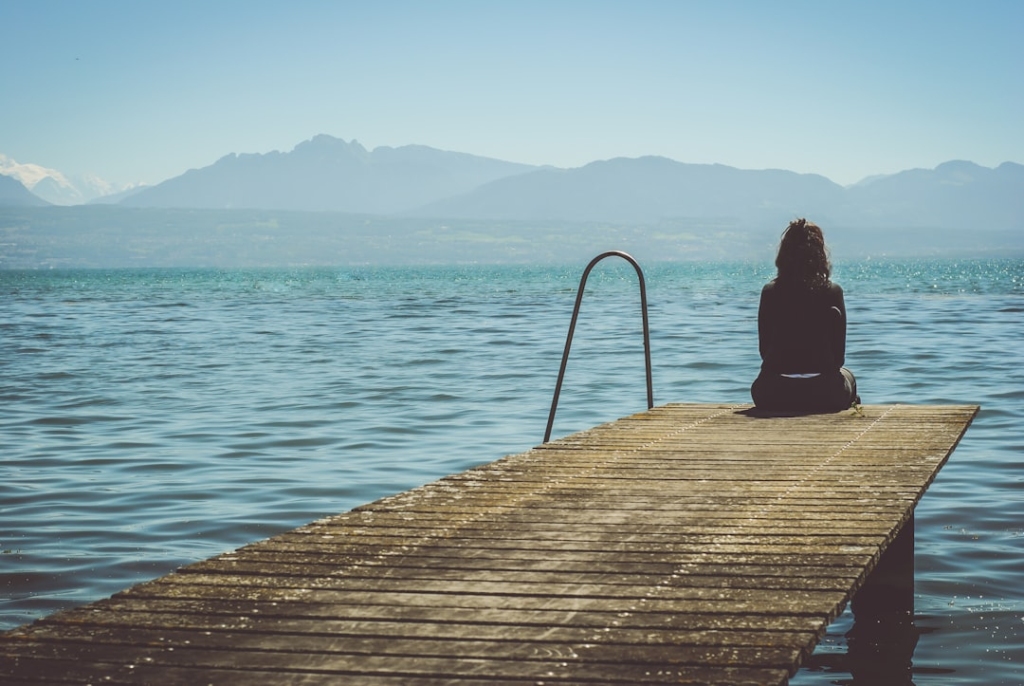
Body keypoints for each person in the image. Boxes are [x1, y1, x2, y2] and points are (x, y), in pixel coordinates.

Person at [751, 218, 859, 412]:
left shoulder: (770, 292)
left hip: (773, 392)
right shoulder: (832, 292)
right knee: (848, 376)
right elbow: (839, 359)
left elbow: (764, 352)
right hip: (825, 393)